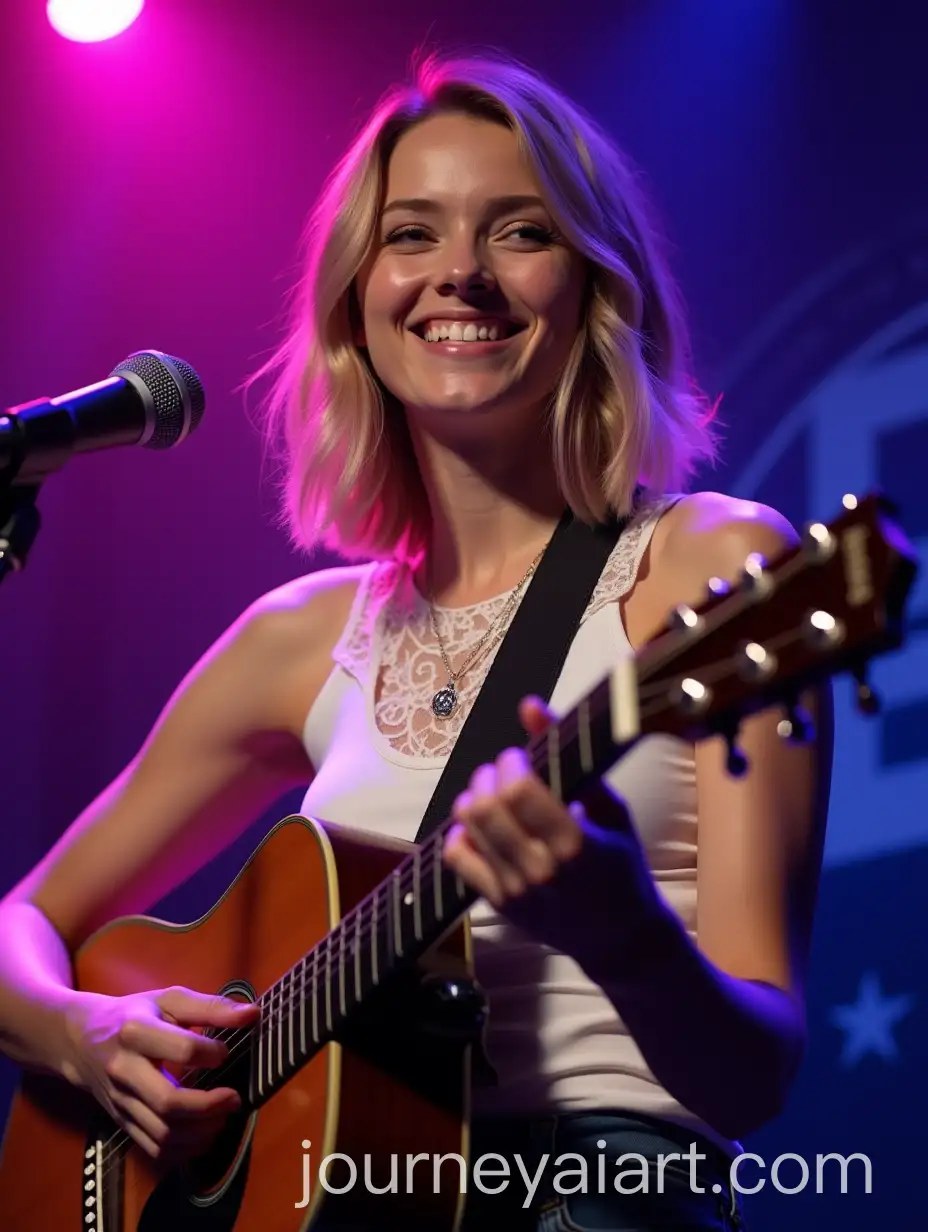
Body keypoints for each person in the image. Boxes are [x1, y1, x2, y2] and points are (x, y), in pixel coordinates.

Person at [0, 50, 832, 1230]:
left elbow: (757, 1073)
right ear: (353, 297)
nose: (460, 274)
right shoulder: (300, 638)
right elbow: (18, 922)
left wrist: (623, 928)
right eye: (411, 235)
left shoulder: (720, 568)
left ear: (598, 289)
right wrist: (86, 1035)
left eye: (520, 232)